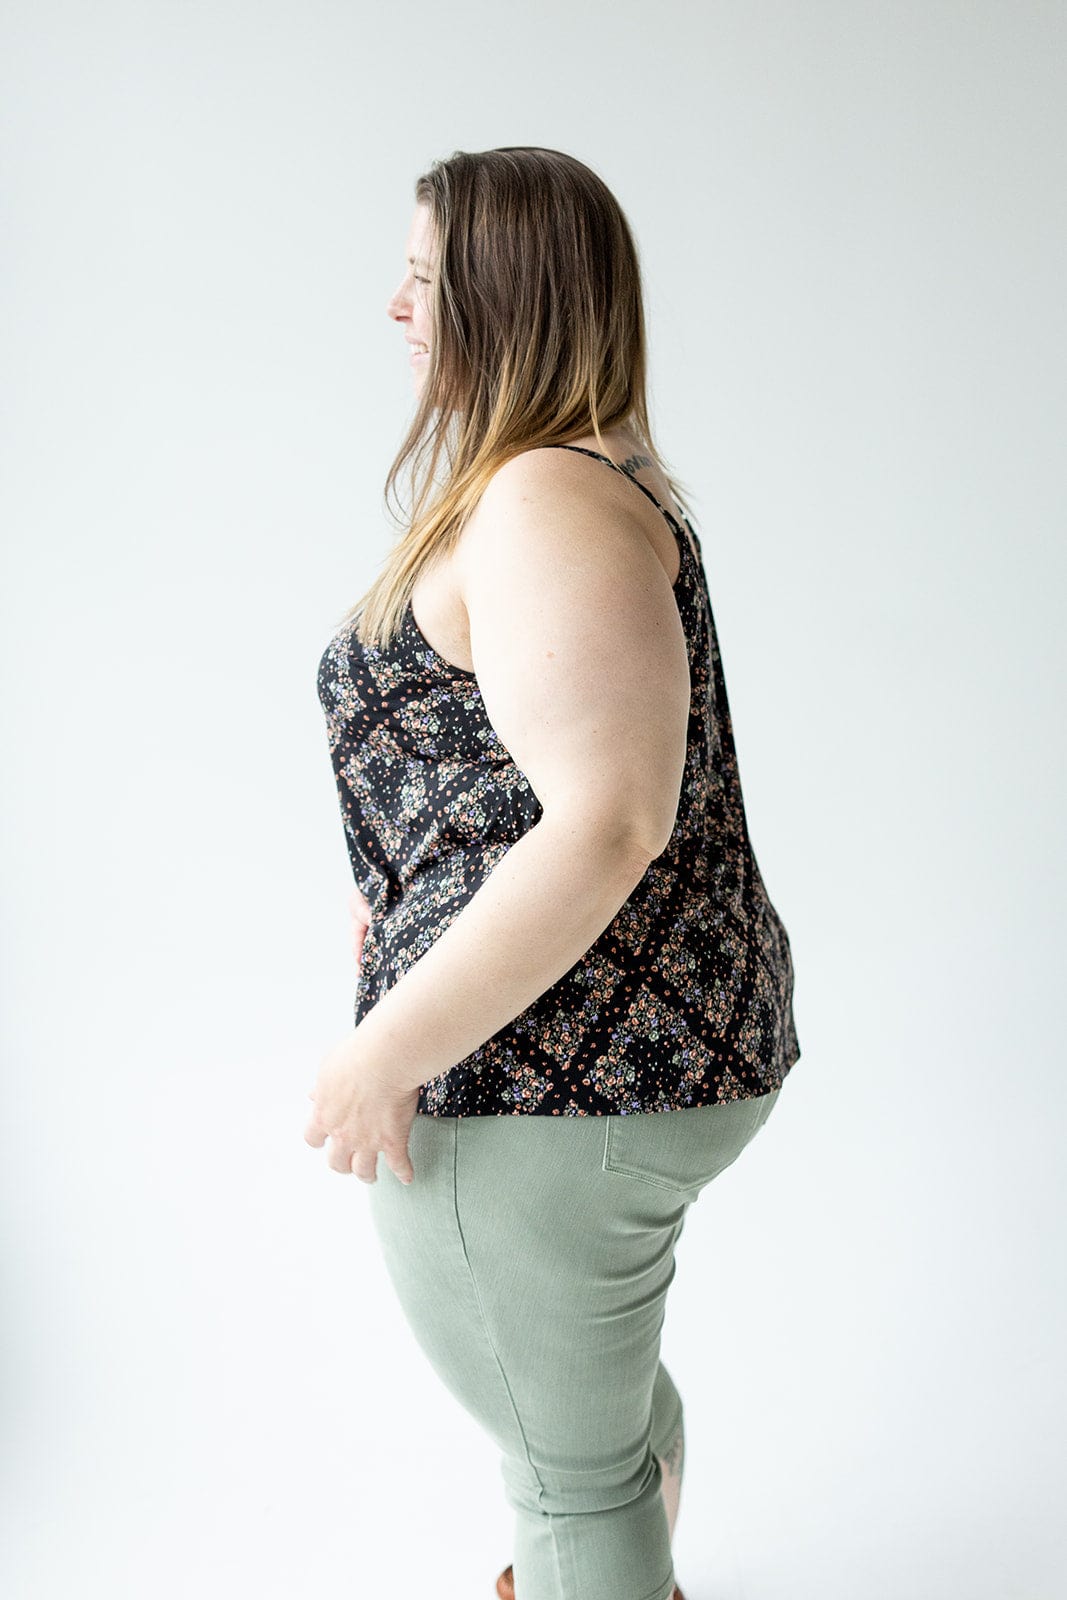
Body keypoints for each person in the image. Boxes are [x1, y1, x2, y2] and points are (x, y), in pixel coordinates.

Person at [306, 146, 800, 1600]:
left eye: (420, 278)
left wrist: (386, 1049)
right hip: (612, 1056)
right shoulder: (581, 481)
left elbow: (605, 821)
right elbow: (509, 770)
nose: (395, 308)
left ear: (501, 295)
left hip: (543, 1080)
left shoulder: (544, 498)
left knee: (572, 1484)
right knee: (605, 1432)